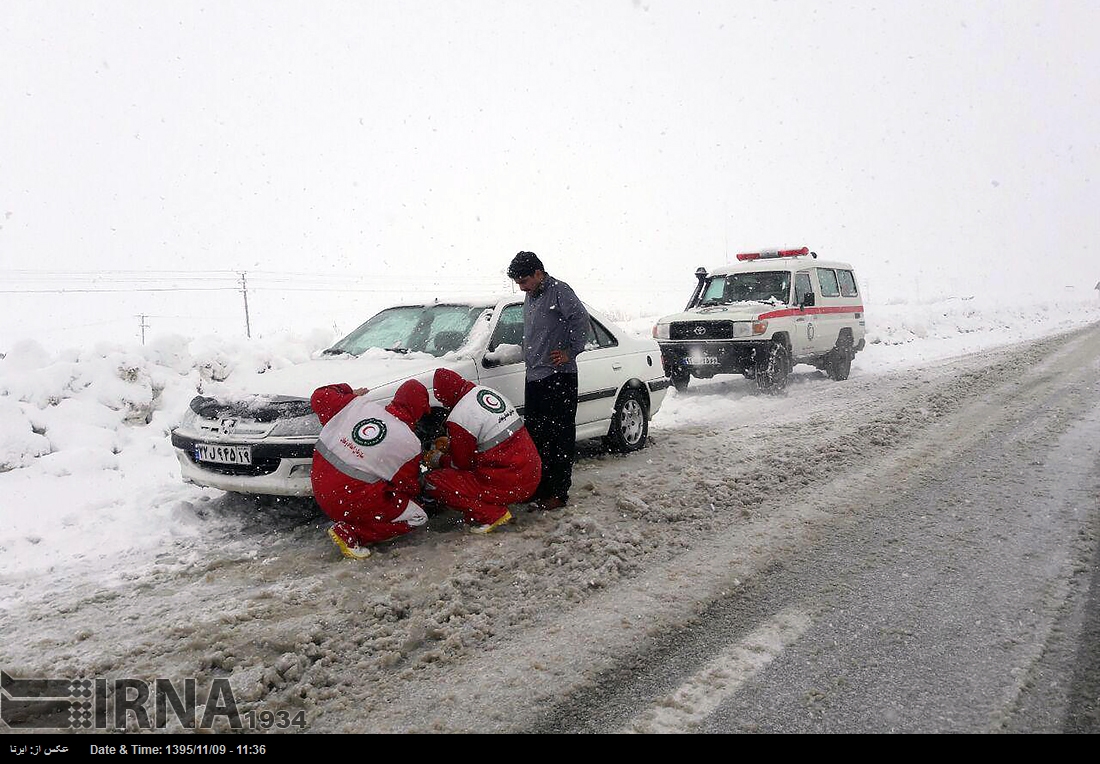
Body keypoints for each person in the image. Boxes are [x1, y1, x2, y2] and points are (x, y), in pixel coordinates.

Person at [310, 379, 430, 559]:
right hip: (348, 501)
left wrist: (349, 392)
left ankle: (351, 517)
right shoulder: (410, 444)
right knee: (417, 516)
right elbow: (408, 488)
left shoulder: (357, 406)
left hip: (319, 488)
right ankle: (352, 533)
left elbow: (318, 396)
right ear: (419, 410)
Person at [506, 250, 589, 511]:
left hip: (558, 377)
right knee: (537, 436)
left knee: (559, 437)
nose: (522, 288)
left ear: (539, 273)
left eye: (524, 281)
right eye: (518, 283)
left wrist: (570, 351)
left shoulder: (560, 291)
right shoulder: (531, 297)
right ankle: (539, 488)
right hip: (536, 377)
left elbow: (581, 320)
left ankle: (558, 492)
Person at [422, 368, 542, 532]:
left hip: (511, 483)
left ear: (446, 394)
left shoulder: (459, 417)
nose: (443, 404)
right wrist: (452, 444)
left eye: (442, 400)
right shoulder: (483, 392)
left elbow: (462, 465)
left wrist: (438, 459)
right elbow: (486, 438)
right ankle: (498, 500)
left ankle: (492, 515)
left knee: (434, 482)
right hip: (532, 474)